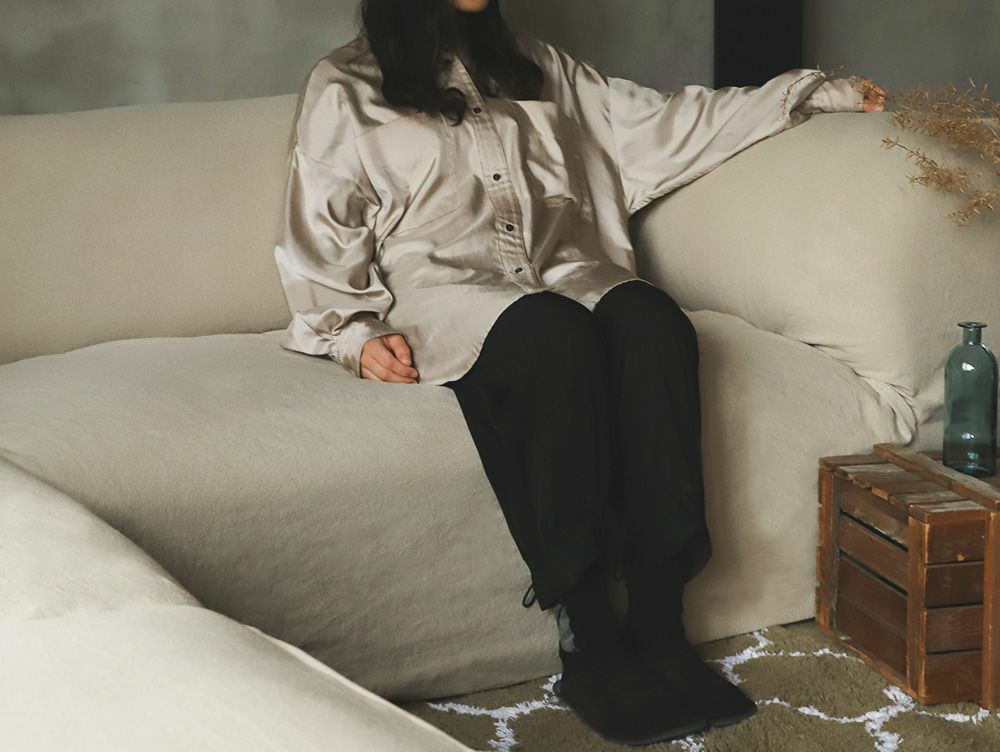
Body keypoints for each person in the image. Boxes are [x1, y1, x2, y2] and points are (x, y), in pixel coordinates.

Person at [273, 0, 887, 745]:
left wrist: (809, 94)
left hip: (565, 273)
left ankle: (660, 623)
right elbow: (319, 226)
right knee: (551, 335)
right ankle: (589, 636)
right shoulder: (344, 86)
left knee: (653, 321)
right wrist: (352, 332)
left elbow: (666, 122)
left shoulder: (540, 68)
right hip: (447, 296)